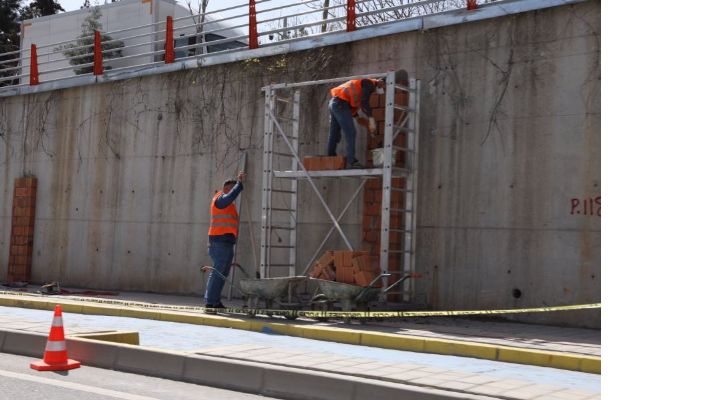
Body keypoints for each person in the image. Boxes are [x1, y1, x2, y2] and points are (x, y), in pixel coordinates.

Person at [204, 171, 246, 312]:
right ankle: (210, 302)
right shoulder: (220, 199)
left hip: (226, 242)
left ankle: (215, 301)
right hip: (219, 242)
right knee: (218, 273)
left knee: (222, 274)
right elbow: (230, 196)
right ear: (227, 188)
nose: (234, 195)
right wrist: (239, 185)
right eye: (232, 189)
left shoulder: (228, 204)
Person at [327, 77, 385, 168]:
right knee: (351, 132)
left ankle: (329, 158)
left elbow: (353, 101)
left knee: (334, 134)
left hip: (335, 103)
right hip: (340, 103)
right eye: (382, 87)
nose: (378, 90)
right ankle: (352, 161)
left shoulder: (363, 86)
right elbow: (364, 102)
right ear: (381, 82)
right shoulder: (369, 83)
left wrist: (357, 117)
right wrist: (371, 119)